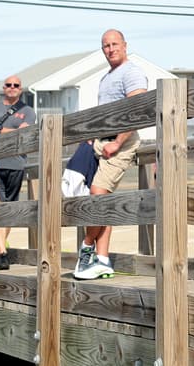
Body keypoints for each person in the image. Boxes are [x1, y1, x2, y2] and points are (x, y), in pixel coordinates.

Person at [72, 30, 149, 281]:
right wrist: (94, 136)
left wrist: (118, 141)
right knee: (100, 199)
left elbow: (137, 110)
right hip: (102, 142)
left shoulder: (132, 72)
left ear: (125, 45)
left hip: (120, 143)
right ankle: (103, 260)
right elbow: (106, 113)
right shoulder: (107, 77)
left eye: (115, 44)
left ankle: (86, 246)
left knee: (98, 195)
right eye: (106, 45)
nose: (111, 49)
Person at [0, 75, 35, 271]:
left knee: (9, 210)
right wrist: (9, 131)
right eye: (9, 85)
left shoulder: (28, 111)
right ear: (3, 88)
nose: (12, 87)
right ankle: (2, 254)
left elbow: (23, 134)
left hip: (17, 164)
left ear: (21, 89)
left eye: (16, 85)